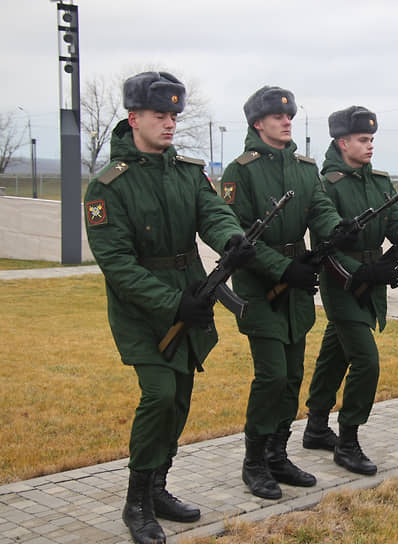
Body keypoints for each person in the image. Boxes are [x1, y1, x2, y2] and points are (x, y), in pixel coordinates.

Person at [84, 71, 254, 544]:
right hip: (143, 308)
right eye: (160, 115)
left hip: (192, 295)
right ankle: (135, 502)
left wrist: (231, 239)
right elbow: (116, 263)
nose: (170, 123)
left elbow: (212, 212)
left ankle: (158, 487)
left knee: (179, 396)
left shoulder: (185, 171)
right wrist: (169, 301)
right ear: (134, 117)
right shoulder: (108, 186)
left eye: (174, 115)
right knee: (158, 393)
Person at [221, 86, 353, 500]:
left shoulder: (303, 167)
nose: (286, 120)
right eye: (277, 116)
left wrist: (336, 228)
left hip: (296, 286)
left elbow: (319, 207)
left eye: (289, 115)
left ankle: (278, 454)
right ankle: (255, 461)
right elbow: (238, 235)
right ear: (257, 123)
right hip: (260, 289)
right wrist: (282, 268)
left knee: (293, 374)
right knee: (272, 375)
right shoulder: (239, 171)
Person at [302, 106, 398, 475]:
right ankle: (348, 440)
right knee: (366, 362)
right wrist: (361, 273)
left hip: (371, 278)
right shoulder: (326, 184)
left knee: (335, 355)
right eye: (363, 139)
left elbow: (395, 227)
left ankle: (315, 426)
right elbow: (328, 247)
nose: (370, 145)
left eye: (372, 139)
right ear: (343, 142)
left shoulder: (378, 180)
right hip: (342, 283)